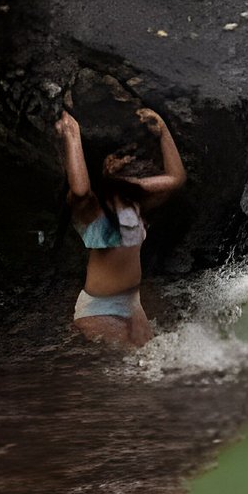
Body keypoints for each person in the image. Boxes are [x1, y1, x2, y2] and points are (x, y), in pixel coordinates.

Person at [55, 104, 186, 347]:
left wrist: (164, 131)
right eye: (115, 156)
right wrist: (72, 133)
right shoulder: (90, 209)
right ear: (102, 167)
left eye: (127, 155)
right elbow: (80, 188)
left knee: (151, 367)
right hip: (98, 309)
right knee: (140, 366)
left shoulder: (136, 201)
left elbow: (176, 179)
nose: (123, 159)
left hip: (133, 304)